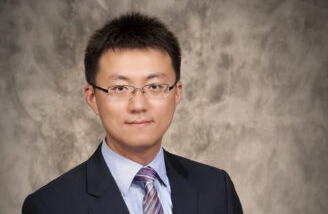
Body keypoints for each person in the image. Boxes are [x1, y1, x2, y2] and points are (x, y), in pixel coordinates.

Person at [22, 12, 243, 214]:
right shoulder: (50, 205)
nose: (138, 105)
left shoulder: (216, 188)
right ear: (92, 98)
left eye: (155, 86)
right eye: (120, 88)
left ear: (176, 93)